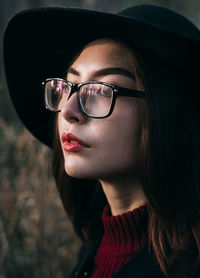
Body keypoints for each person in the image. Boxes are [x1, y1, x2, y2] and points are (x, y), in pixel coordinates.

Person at [3, 3, 200, 278]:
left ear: (165, 112)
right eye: (67, 87)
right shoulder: (94, 251)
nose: (68, 111)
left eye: (99, 90)